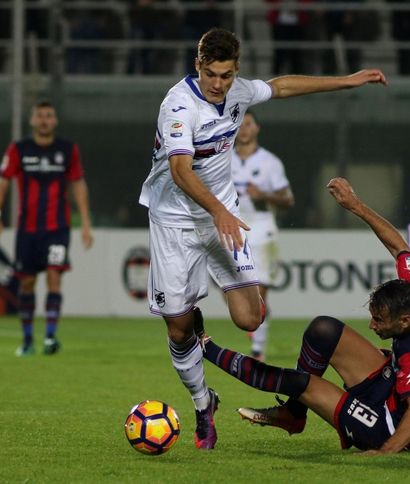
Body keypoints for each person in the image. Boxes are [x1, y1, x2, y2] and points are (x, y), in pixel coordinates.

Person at [139, 27, 387, 450]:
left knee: (250, 319)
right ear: (198, 66)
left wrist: (346, 81)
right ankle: (203, 404)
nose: (219, 84)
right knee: (178, 330)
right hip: (176, 223)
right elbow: (181, 171)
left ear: (236, 71)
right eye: (212, 74)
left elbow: (282, 86)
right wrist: (218, 211)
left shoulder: (236, 93)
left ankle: (218, 321)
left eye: (228, 75)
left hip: (223, 218)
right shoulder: (178, 106)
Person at [197, 177, 410, 453]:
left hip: (399, 429)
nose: (372, 325)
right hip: (394, 391)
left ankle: (205, 347)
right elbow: (400, 247)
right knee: (323, 331)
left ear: (405, 320)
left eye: (380, 320)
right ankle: (293, 413)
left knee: (302, 384)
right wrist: (355, 205)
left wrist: (384, 452)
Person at [0, 101, 93, 357]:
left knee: (55, 277)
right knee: (27, 283)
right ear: (32, 120)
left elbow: (78, 184)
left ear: (54, 121)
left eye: (49, 115)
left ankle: (49, 337)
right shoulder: (19, 149)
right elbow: (2, 182)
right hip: (28, 229)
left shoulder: (67, 150)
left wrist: (86, 222)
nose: (44, 120)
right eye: (40, 116)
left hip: (57, 228)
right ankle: (26, 341)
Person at [231, 111, 294, 361]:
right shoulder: (223, 159)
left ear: (257, 128)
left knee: (260, 294)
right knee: (229, 286)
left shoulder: (270, 162)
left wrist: (264, 195)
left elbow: (288, 199)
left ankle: (258, 350)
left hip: (262, 229)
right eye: (240, 125)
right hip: (231, 229)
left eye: (248, 124)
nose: (244, 129)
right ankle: (253, 324)